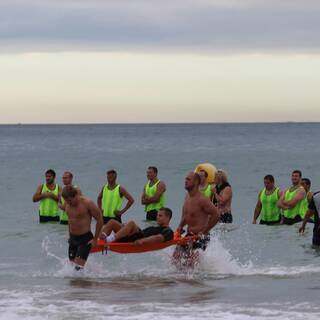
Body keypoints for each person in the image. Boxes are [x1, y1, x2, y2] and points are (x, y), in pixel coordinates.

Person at [62, 185, 103, 270]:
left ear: (75, 196)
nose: (68, 203)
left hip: (85, 239)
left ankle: (85, 281)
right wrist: (69, 236)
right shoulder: (67, 204)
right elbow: (70, 221)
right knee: (71, 268)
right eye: (66, 201)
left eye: (70, 200)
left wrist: (95, 239)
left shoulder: (87, 203)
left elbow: (99, 219)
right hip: (73, 239)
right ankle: (87, 279)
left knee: (78, 269)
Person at [100, 207, 174, 245]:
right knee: (112, 222)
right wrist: (125, 228)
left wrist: (142, 241)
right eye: (157, 215)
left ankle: (110, 239)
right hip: (133, 236)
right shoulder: (157, 227)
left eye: (160, 216)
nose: (157, 217)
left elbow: (158, 238)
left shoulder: (168, 231)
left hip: (138, 238)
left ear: (167, 218)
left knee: (131, 223)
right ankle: (100, 239)